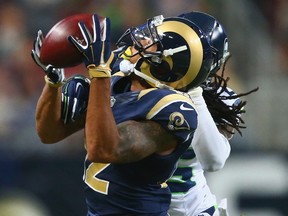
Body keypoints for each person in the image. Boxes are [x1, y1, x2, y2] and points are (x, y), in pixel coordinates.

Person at [32, 14, 216, 215]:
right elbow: (49, 133)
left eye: (153, 42)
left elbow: (103, 149)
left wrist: (99, 75)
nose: (142, 39)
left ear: (166, 65)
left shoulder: (173, 110)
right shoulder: (118, 78)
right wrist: (54, 81)